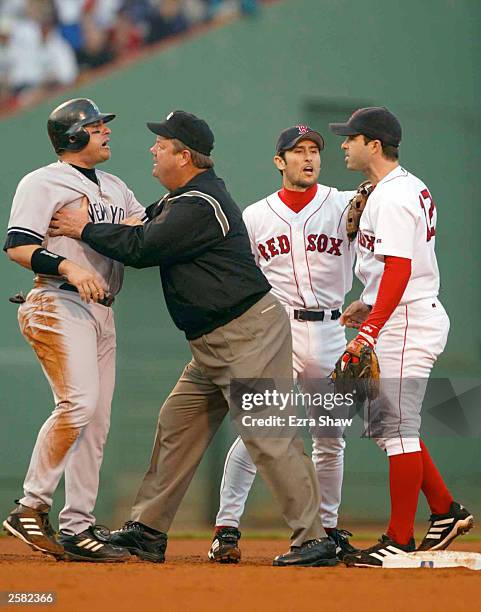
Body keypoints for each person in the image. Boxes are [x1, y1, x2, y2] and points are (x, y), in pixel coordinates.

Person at [48, 110, 339, 567]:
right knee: (177, 424)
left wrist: (81, 228)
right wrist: (103, 221)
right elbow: (140, 228)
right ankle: (148, 529)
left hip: (247, 335)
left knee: (270, 435)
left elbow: (142, 247)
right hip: (213, 342)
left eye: (161, 145)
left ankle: (313, 539)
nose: (153, 149)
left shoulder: (201, 204)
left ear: (184, 156)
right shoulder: (181, 200)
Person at [2, 97, 147, 563]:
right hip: (57, 300)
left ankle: (78, 526)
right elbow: (18, 246)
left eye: (104, 124)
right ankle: (29, 506)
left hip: (102, 310)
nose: (105, 130)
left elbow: (141, 226)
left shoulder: (115, 185)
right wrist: (68, 264)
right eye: (97, 125)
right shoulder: (42, 181)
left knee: (96, 422)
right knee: (79, 403)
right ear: (73, 136)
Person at [328, 106, 473, 567]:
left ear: (374, 144)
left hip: (407, 319)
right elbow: (398, 266)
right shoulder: (402, 186)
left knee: (396, 430)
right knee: (389, 428)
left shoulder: (391, 196)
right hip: (403, 312)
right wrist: (369, 303)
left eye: (350, 138)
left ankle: (399, 539)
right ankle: (446, 510)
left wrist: (369, 330)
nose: (343, 145)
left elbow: (400, 267)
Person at [207, 124, 359, 564]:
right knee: (258, 429)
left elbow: (377, 247)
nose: (308, 158)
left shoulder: (346, 204)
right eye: (298, 151)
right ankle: (226, 528)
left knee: (331, 438)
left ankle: (327, 529)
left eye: (314, 150)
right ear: (280, 161)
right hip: (276, 331)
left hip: (332, 329)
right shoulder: (255, 216)